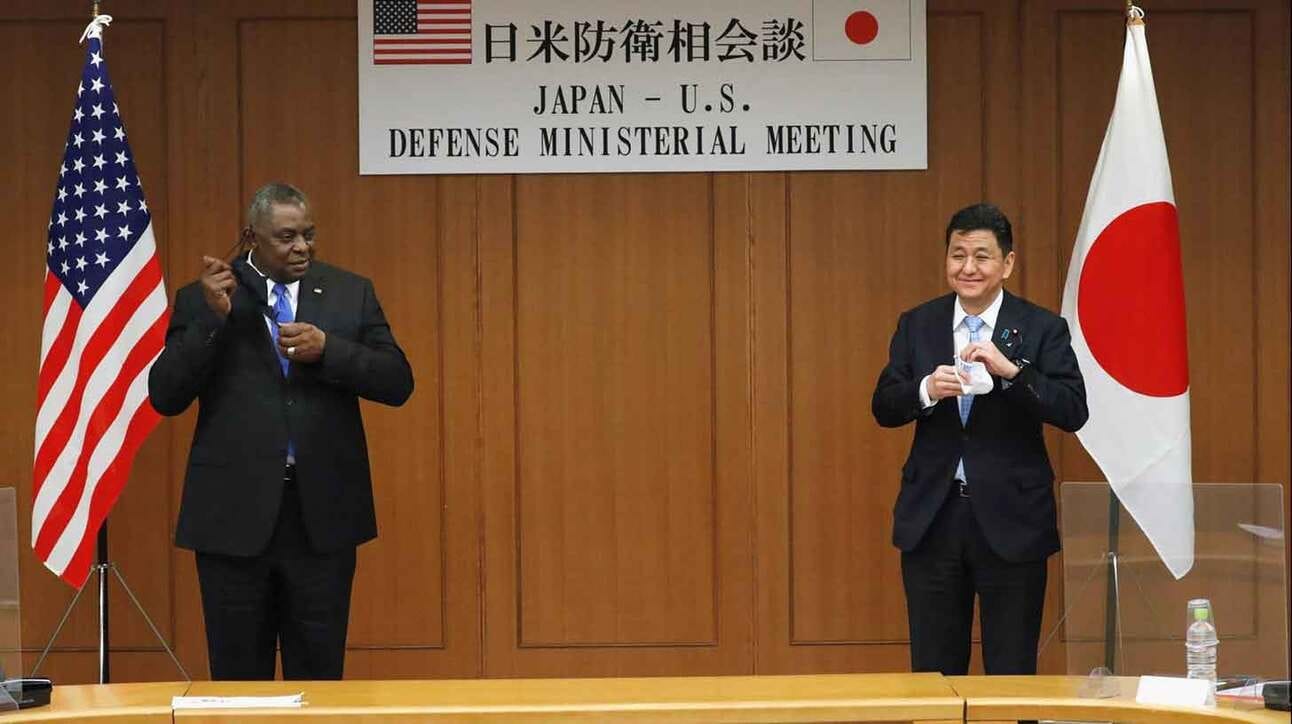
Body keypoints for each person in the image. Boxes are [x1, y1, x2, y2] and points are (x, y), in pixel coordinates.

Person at [148, 182, 414, 680]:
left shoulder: (349, 292)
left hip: (321, 519)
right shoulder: (205, 298)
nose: (302, 248)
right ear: (252, 237)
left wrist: (329, 350)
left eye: (308, 235)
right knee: (238, 681)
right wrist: (214, 321)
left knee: (319, 679)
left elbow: (398, 381)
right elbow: (164, 394)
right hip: (232, 520)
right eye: (287, 237)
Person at [871, 203, 1087, 675]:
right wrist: (926, 389)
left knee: (1011, 670)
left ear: (1007, 264)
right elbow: (884, 406)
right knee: (934, 671)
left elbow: (1073, 410)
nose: (968, 267)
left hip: (1013, 519)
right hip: (933, 517)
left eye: (982, 256)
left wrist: (1013, 372)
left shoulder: (1042, 328)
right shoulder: (918, 323)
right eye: (958, 255)